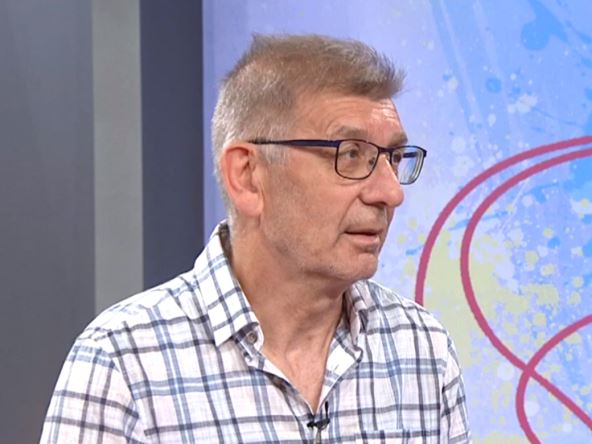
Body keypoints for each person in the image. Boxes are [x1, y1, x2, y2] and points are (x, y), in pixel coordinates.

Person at [41, 34, 470, 443]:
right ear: (247, 176)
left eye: (393, 158)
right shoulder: (125, 362)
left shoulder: (421, 348)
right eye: (351, 154)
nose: (390, 193)